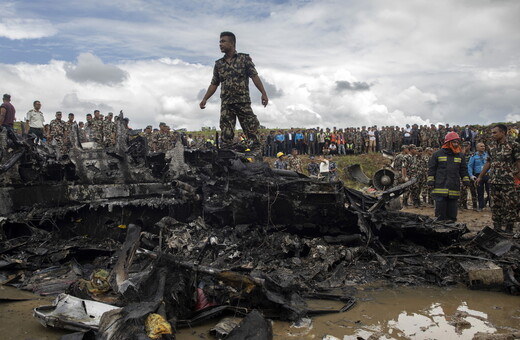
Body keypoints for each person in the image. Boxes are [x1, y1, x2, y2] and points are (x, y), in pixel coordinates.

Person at [199, 31, 268, 153]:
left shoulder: (244, 59)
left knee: (251, 126)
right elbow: (214, 83)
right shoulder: (219, 64)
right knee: (226, 133)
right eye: (220, 42)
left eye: (223, 41)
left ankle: (256, 153)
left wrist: (263, 92)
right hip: (226, 103)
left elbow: (254, 76)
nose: (220, 44)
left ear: (232, 43)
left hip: (242, 100)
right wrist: (205, 99)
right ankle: (227, 156)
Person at [476, 124, 520, 232]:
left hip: (508, 181)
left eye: (495, 132)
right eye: (492, 133)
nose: (492, 135)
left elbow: (519, 162)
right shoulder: (491, 146)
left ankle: (509, 228)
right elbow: (488, 162)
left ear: (503, 132)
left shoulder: (513, 145)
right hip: (494, 180)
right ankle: (497, 227)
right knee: (496, 205)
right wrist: (480, 176)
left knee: (510, 205)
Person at [427, 132, 470, 221]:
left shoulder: (460, 155)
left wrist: (466, 180)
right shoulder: (437, 154)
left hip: (453, 187)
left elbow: (463, 170)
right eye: (454, 142)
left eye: (457, 142)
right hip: (440, 187)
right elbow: (432, 169)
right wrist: (430, 180)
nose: (456, 144)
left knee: (452, 213)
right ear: (448, 143)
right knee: (440, 214)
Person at [468, 142, 490, 211]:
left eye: (483, 146)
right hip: (478, 175)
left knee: (490, 191)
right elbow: (470, 166)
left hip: (487, 175)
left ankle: (491, 206)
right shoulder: (473, 156)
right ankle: (481, 206)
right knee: (480, 192)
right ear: (477, 148)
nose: (483, 147)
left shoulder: (487, 155)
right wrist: (471, 175)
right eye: (481, 146)